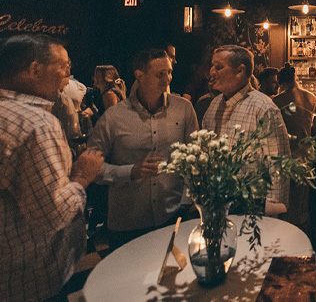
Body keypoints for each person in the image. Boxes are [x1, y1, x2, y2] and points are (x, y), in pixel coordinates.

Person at [0, 34, 103, 301]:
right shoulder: (36, 123)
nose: (68, 75)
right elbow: (52, 215)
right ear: (35, 69)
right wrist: (81, 176)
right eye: (64, 66)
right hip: (28, 279)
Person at [88, 49, 198, 249]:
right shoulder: (113, 117)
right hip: (128, 222)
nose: (167, 79)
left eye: (169, 72)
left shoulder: (183, 109)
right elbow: (92, 168)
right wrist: (130, 171)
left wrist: (186, 200)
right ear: (139, 75)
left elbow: (194, 157)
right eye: (160, 74)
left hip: (172, 216)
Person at [202, 45, 290, 216]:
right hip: (217, 208)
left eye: (219, 67)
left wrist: (272, 212)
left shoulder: (263, 108)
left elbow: (278, 164)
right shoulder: (213, 106)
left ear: (240, 71)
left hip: (252, 211)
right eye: (212, 66)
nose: (211, 72)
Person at [272, 64, 316, 231]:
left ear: (280, 83)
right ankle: (304, 245)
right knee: (302, 206)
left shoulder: (276, 101)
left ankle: (287, 246)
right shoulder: (311, 98)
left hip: (285, 157)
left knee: (285, 206)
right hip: (306, 156)